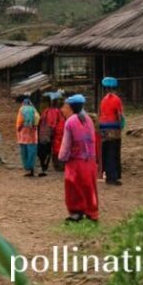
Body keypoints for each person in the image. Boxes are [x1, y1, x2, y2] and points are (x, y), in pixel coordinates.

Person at [58, 94, 99, 222]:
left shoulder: (70, 122)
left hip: (76, 161)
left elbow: (66, 144)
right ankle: (92, 213)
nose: (62, 109)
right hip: (90, 161)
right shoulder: (88, 119)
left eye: (64, 106)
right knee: (89, 187)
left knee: (73, 187)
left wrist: (62, 157)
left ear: (70, 108)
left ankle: (76, 213)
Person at [99, 77, 124, 185]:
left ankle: (108, 175)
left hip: (103, 127)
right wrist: (121, 126)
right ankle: (113, 177)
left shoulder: (103, 100)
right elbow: (119, 115)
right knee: (113, 152)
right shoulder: (117, 99)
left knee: (106, 151)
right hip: (113, 128)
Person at [38, 92, 65, 176]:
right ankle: (55, 165)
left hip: (49, 133)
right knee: (54, 149)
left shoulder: (47, 111)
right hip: (54, 133)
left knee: (52, 150)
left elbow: (42, 121)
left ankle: (52, 165)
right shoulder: (57, 112)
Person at [16, 96, 40, 177]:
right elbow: (37, 120)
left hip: (23, 135)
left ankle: (27, 168)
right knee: (32, 153)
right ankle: (32, 169)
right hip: (32, 135)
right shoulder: (34, 110)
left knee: (24, 152)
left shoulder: (21, 109)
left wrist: (19, 129)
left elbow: (19, 122)